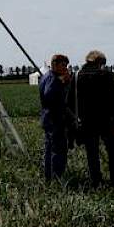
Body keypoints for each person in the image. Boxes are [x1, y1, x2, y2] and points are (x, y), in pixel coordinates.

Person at [69, 50, 114, 187]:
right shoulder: (106, 76)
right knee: (113, 152)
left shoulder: (76, 76)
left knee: (92, 153)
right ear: (100, 62)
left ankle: (96, 181)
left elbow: (69, 102)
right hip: (106, 122)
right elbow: (113, 101)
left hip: (86, 122)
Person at [39, 53, 74, 181]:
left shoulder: (46, 76)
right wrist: (62, 83)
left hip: (47, 118)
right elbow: (49, 95)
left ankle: (49, 176)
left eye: (66, 65)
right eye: (63, 65)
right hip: (55, 119)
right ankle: (57, 177)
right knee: (58, 150)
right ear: (54, 64)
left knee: (49, 149)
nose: (65, 68)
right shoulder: (54, 78)